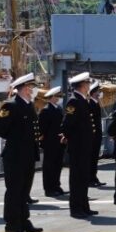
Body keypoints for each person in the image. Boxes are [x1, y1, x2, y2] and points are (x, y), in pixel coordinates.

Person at [0, 73, 43, 232]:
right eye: (31, 87)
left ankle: (23, 220)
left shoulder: (29, 105)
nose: (33, 90)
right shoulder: (11, 106)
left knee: (24, 191)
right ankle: (12, 224)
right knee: (14, 191)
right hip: (14, 156)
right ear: (24, 88)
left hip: (28, 155)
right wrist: (16, 139)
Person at [62, 73, 97, 219]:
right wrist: (72, 139)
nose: (89, 86)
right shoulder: (74, 101)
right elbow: (67, 124)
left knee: (83, 178)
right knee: (77, 179)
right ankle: (76, 209)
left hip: (84, 146)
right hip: (78, 147)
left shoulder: (83, 100)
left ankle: (84, 206)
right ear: (82, 85)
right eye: (87, 83)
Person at [39, 86, 67, 198]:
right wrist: (44, 142)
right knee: (49, 167)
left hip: (59, 142)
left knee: (58, 165)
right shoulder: (46, 110)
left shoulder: (58, 109)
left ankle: (56, 186)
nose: (59, 98)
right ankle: (49, 188)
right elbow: (42, 129)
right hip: (50, 143)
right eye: (58, 96)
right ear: (52, 97)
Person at [88, 81, 105, 187]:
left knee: (95, 158)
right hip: (92, 135)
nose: (100, 93)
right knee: (91, 158)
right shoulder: (90, 103)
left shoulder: (96, 103)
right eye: (98, 91)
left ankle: (94, 177)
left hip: (97, 135)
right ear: (94, 92)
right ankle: (90, 178)